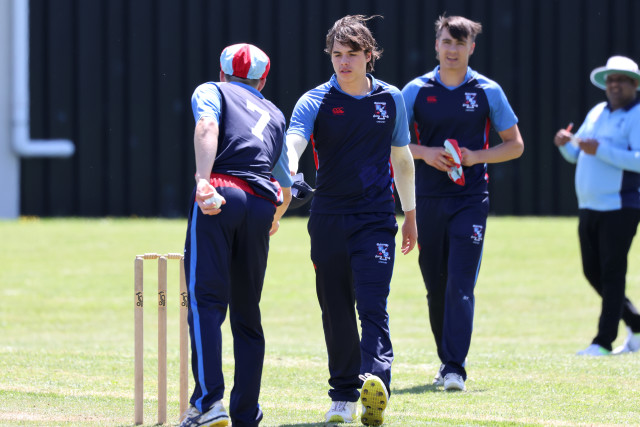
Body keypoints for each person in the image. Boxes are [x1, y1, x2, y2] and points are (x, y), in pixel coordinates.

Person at [286, 15, 417, 426]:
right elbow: (294, 141)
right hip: (327, 218)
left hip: (376, 218)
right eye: (337, 54)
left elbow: (403, 160)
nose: (343, 62)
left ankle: (375, 383)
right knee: (336, 308)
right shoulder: (315, 100)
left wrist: (411, 215)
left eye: (352, 54)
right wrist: (290, 170)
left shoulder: (391, 98)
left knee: (373, 304)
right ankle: (342, 397)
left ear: (369, 55)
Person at [401, 15, 524, 391]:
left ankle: (455, 367)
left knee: (460, 284)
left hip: (470, 199)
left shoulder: (487, 91)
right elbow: (392, 143)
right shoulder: (415, 91)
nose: (452, 50)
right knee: (435, 286)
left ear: (472, 47)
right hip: (427, 199)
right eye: (446, 42)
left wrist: (475, 157)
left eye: (459, 43)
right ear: (436, 45)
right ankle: (447, 360)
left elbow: (515, 145)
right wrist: (426, 153)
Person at [181, 43, 293, 427]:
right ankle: (246, 413)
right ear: (262, 81)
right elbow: (286, 185)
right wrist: (275, 216)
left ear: (222, 73)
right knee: (247, 313)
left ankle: (208, 404)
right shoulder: (275, 113)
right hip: (261, 203)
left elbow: (207, 126)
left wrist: (202, 180)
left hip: (222, 192)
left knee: (206, 302)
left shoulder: (212, 90)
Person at [554, 55, 640, 356]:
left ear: (634, 84)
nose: (614, 85)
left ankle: (603, 342)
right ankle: (636, 323)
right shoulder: (597, 112)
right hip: (590, 205)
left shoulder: (636, 115)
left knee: (612, 273)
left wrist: (601, 150)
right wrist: (566, 144)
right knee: (592, 272)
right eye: (610, 80)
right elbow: (579, 155)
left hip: (620, 206)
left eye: (622, 80)